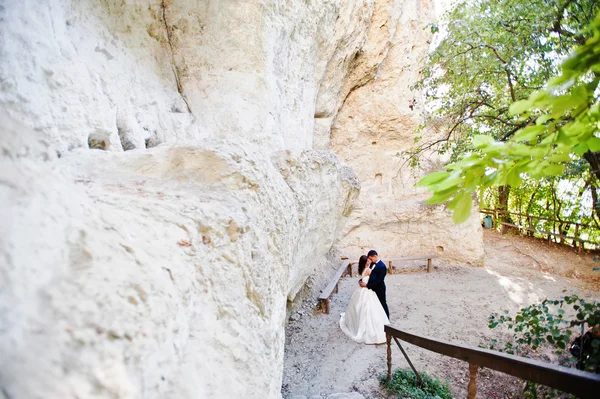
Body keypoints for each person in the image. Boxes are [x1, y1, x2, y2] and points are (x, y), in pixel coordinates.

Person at [339, 255, 390, 344]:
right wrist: (367, 283)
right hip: (367, 290)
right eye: (367, 261)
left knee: (361, 307)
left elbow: (363, 278)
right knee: (369, 309)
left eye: (369, 260)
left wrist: (361, 282)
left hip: (362, 290)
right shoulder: (368, 270)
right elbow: (375, 279)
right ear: (365, 262)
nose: (369, 261)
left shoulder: (362, 269)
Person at [360, 250, 389, 318]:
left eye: (370, 258)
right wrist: (361, 280)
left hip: (379, 289)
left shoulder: (382, 266)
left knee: (382, 303)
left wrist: (367, 285)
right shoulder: (373, 264)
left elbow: (380, 281)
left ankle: (387, 318)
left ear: (375, 256)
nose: (370, 260)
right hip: (372, 288)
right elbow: (368, 276)